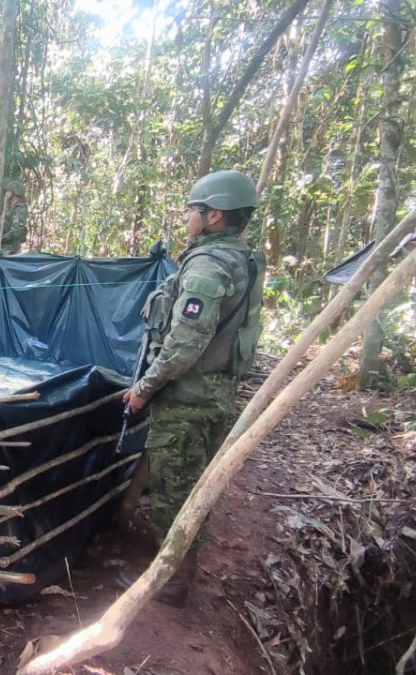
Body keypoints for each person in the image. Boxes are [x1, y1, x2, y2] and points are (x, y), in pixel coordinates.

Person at [117, 170, 265, 607]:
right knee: (192, 484)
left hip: (188, 397)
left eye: (192, 210)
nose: (186, 218)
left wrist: (145, 387)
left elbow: (185, 342)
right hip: (215, 392)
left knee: (173, 490)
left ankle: (170, 582)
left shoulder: (205, 267)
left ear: (214, 214)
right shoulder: (243, 258)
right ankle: (179, 568)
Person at [0, 178, 29, 254]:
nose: (6, 194)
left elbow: (15, 231)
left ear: (15, 192)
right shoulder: (9, 208)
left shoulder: (19, 209)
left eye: (8, 191)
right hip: (3, 248)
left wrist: (0, 240)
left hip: (10, 250)